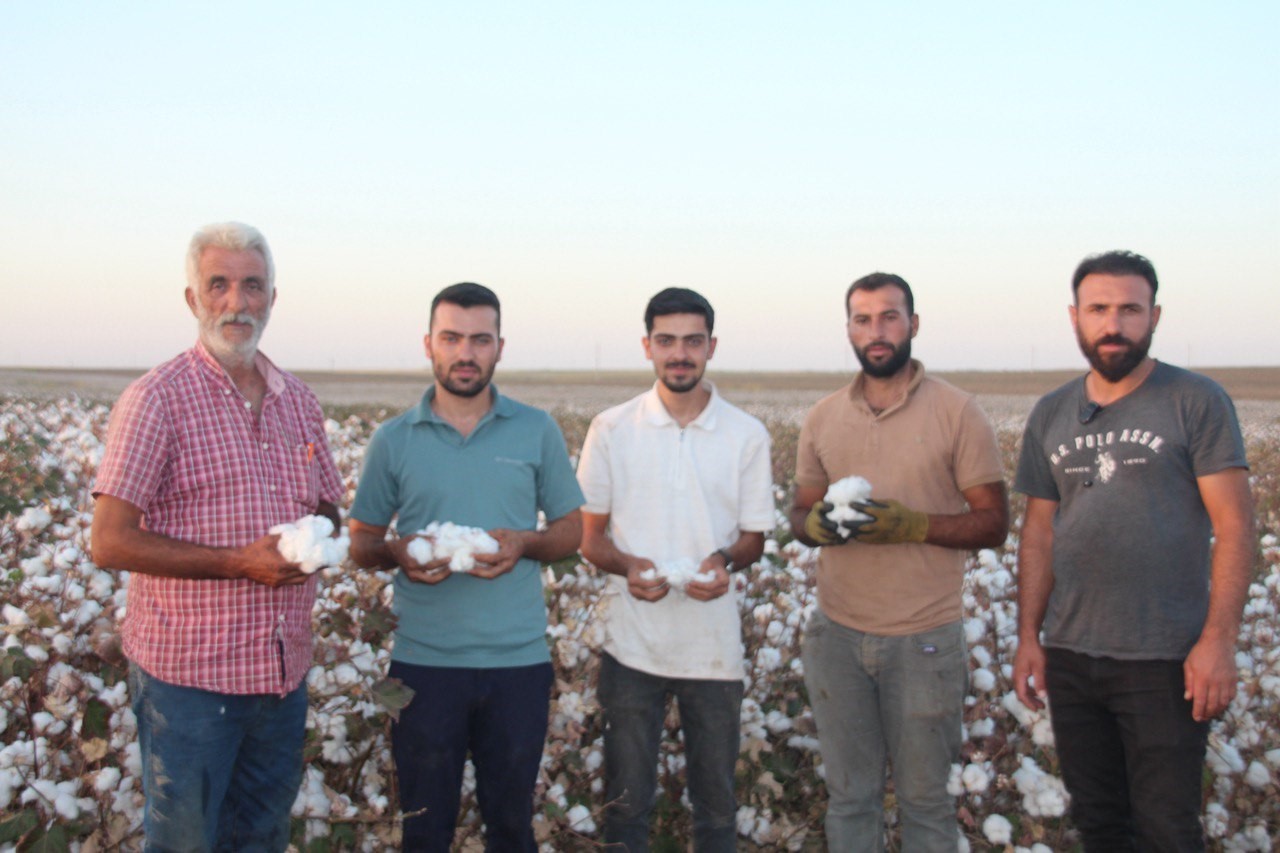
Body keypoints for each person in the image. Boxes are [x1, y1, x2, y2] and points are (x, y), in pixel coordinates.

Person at [91, 222, 344, 851]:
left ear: (273, 299)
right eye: (220, 284)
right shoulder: (157, 399)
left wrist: (312, 540)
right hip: (190, 686)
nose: (237, 302)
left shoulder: (299, 402)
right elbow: (111, 542)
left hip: (281, 678)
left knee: (259, 837)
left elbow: (330, 508)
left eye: (252, 285)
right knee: (185, 843)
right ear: (193, 299)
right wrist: (239, 562)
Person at [1012, 250, 1254, 851]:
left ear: (1155, 316)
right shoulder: (1052, 412)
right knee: (1099, 824)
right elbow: (1039, 532)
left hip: (1163, 659)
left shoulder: (1194, 401)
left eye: (1129, 309)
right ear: (1075, 318)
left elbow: (1236, 526)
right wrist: (1028, 638)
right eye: (1098, 309)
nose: (1113, 324)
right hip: (1070, 655)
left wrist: (1218, 641)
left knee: (1167, 829)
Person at [347, 282, 584, 852]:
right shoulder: (394, 439)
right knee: (425, 831)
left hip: (517, 664)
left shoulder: (536, 429)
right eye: (452, 337)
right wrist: (397, 553)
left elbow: (572, 532)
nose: (466, 352)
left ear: (500, 347)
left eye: (480, 339)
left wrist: (523, 544)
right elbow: (362, 543)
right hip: (423, 666)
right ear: (429, 344)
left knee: (510, 829)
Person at [789, 272, 1008, 852]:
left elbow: (993, 522)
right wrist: (813, 527)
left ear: (914, 324)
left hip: (924, 641)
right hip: (836, 639)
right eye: (863, 319)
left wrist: (915, 526)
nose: (876, 331)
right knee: (850, 799)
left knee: (926, 803)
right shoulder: (824, 416)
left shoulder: (958, 412)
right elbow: (799, 513)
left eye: (889, 316)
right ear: (849, 331)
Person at [576, 288, 774, 851]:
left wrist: (725, 560)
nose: (679, 353)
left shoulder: (746, 435)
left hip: (714, 654)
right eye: (666, 341)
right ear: (647, 347)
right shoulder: (611, 429)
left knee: (715, 810)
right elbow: (590, 540)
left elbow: (754, 538)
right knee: (626, 807)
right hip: (630, 648)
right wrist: (628, 565)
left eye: (692, 341)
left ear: (711, 346)